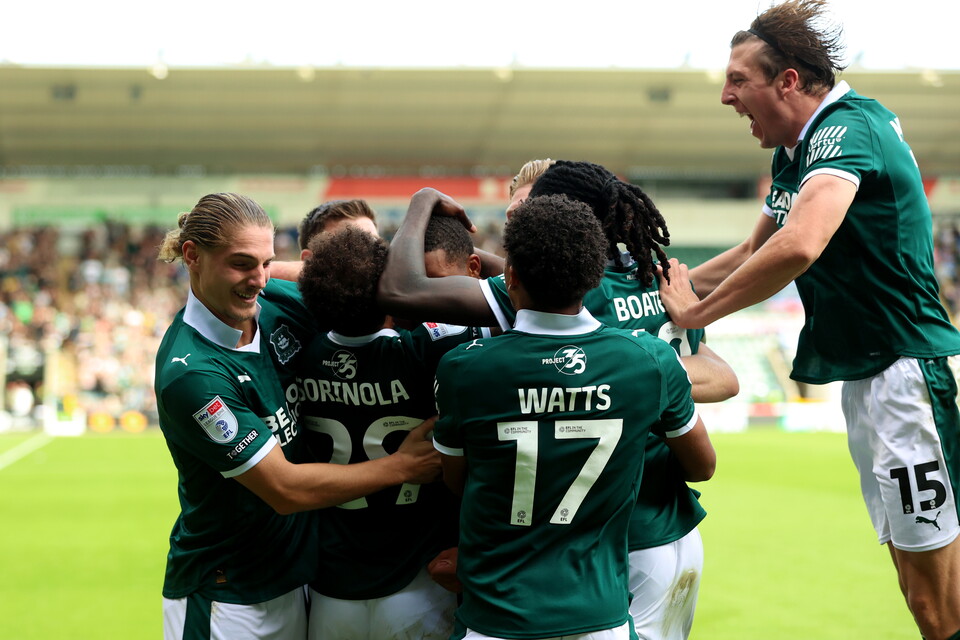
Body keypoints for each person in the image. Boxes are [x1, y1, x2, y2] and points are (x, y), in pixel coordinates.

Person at [656, 2, 960, 637]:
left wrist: (698, 312)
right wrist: (649, 293)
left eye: (739, 79)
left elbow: (799, 245)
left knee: (937, 601)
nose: (725, 95)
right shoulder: (795, 154)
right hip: (869, 379)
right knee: (917, 585)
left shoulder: (847, 128)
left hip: (908, 374)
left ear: (788, 81)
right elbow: (751, 252)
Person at [380, 162, 737, 639]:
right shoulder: (658, 283)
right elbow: (721, 378)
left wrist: (423, 199)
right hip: (658, 529)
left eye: (526, 213)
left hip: (600, 553)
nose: (513, 226)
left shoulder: (550, 303)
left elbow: (402, 289)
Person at [154, 192, 440, 640]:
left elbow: (352, 277)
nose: (258, 280)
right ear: (192, 256)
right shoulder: (193, 375)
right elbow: (284, 488)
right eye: (241, 264)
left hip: (300, 583)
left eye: (267, 263)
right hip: (228, 596)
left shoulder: (275, 304)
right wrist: (402, 466)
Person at [296, 225, 491, 640]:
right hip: (416, 581)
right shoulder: (421, 350)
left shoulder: (303, 355)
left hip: (331, 589)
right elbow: (496, 303)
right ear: (390, 289)